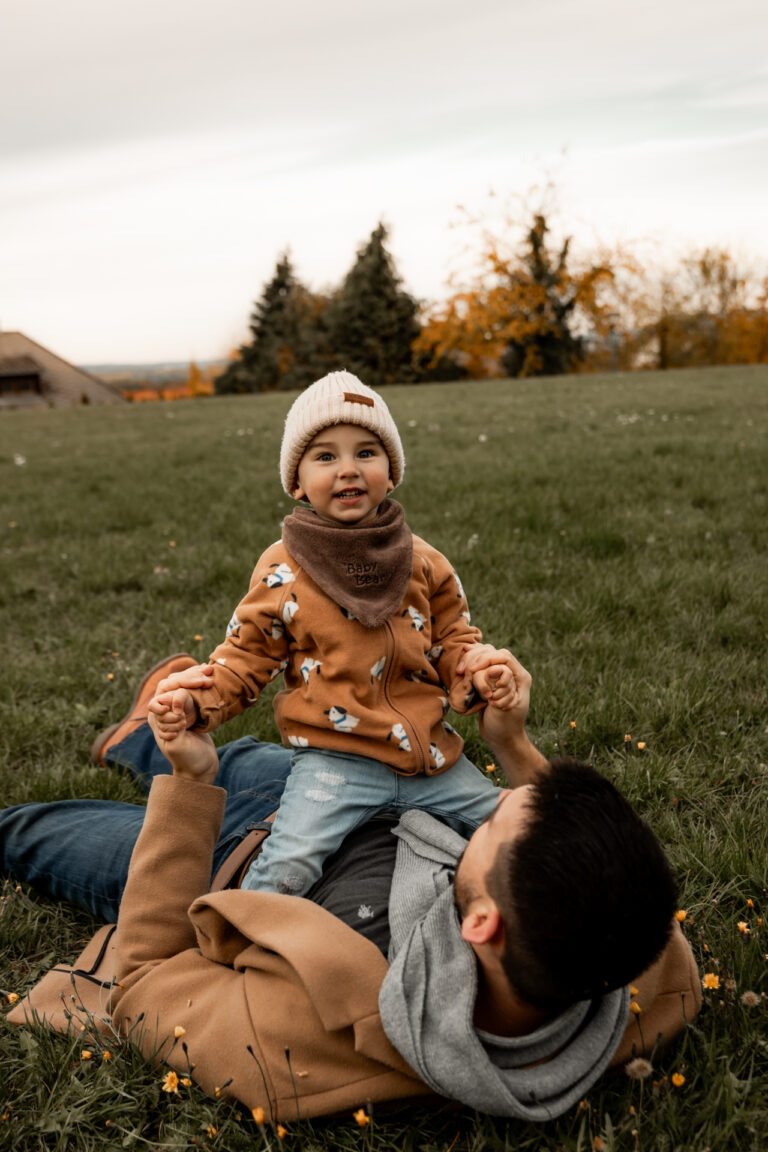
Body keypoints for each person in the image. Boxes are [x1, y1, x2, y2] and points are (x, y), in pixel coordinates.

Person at [3, 652, 702, 1123]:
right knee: (247, 752)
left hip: (231, 857)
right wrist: (513, 743)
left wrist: (191, 786)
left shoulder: (290, 1047)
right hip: (354, 799)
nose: (492, 803)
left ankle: (162, 758)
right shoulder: (641, 950)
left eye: (487, 829)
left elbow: (147, 980)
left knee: (31, 830)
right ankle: (136, 738)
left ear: (483, 923)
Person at [149, 370, 518, 898]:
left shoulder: (423, 561)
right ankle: (235, 942)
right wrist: (195, 703)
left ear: (391, 472)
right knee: (287, 871)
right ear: (296, 481)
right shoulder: (284, 569)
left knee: (513, 831)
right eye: (325, 457)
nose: (348, 469)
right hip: (334, 762)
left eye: (367, 452)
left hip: (432, 759)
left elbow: (452, 640)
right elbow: (244, 657)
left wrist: (479, 673)